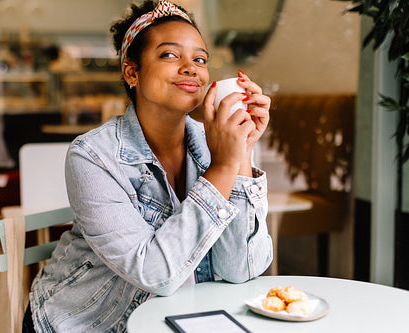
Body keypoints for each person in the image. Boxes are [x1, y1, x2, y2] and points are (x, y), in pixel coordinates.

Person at [25, 1, 272, 331]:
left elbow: (239, 269)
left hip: (174, 318)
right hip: (87, 324)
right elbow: (155, 273)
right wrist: (223, 167)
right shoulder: (92, 156)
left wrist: (241, 153)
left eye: (200, 59)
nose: (191, 68)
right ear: (131, 71)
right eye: (170, 55)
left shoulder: (215, 143)